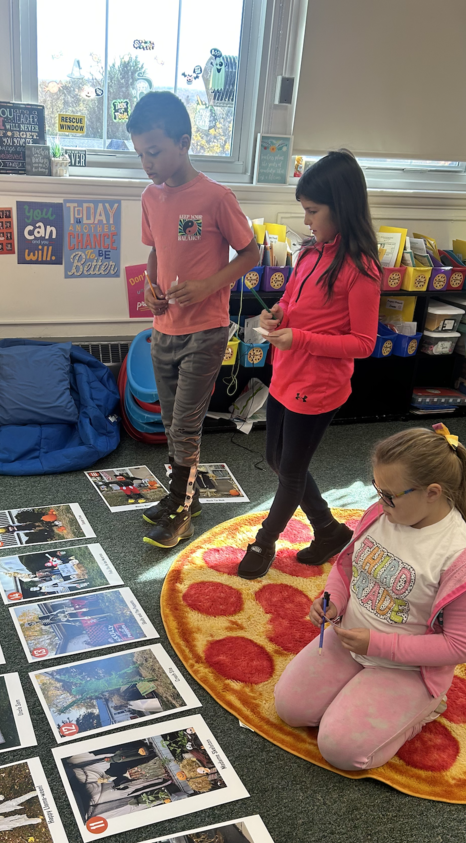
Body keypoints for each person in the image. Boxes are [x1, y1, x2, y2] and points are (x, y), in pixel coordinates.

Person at [273, 423, 466, 772]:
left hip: (407, 668)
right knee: (291, 710)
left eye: (389, 495)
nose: (380, 501)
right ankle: (360, 696)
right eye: (377, 490)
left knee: (342, 751)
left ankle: (425, 708)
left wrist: (379, 645)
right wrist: (332, 598)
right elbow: (347, 567)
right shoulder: (381, 515)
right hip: (350, 639)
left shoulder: (462, 560)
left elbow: (461, 647)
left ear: (432, 492)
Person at [237, 150, 382, 579]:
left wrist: (299, 337)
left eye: (313, 211)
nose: (308, 220)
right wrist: (276, 314)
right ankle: (328, 530)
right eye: (305, 211)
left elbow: (364, 343)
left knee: (291, 470)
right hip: (286, 374)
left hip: (318, 387)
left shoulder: (362, 269)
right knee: (279, 461)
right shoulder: (310, 253)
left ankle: (264, 543)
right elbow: (291, 301)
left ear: (342, 207)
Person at [126, 91, 259, 548]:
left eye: (155, 152)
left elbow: (252, 252)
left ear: (183, 142)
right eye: (140, 153)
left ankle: (181, 510)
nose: (147, 162)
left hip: (206, 330)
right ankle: (185, 494)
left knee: (185, 423)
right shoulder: (150, 196)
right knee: (169, 422)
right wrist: (148, 284)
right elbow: (155, 250)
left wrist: (208, 286)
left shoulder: (217, 197)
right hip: (164, 330)